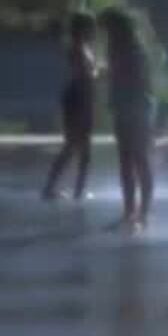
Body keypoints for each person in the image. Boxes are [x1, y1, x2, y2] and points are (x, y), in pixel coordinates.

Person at [99, 8, 155, 229]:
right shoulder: (116, 47)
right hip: (124, 106)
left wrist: (111, 74)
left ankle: (144, 211)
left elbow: (140, 79)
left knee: (139, 158)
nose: (104, 33)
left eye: (107, 28)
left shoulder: (134, 48)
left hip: (137, 106)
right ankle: (130, 209)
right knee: (125, 160)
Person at [42, 12, 100, 202]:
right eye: (91, 27)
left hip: (82, 98)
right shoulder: (77, 49)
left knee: (78, 148)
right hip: (79, 99)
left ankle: (74, 189)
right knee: (75, 147)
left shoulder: (83, 48)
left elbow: (87, 73)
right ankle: (71, 190)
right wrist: (102, 72)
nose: (94, 31)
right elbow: (84, 75)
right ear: (82, 28)